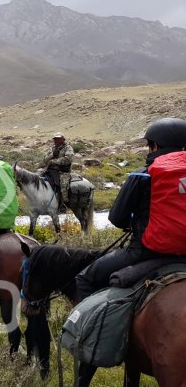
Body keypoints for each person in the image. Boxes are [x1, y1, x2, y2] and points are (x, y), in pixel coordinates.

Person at [75, 117, 186, 301]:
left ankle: (87, 329)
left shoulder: (142, 175)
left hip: (144, 252)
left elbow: (117, 218)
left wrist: (133, 222)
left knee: (85, 279)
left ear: (155, 146)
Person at [41, 133, 75, 212]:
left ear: (63, 139)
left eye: (58, 139)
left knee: (63, 186)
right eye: (55, 139)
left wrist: (54, 161)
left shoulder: (68, 148)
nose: (56, 140)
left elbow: (68, 159)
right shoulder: (52, 148)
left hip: (63, 171)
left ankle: (63, 204)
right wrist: (52, 155)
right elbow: (45, 160)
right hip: (50, 170)